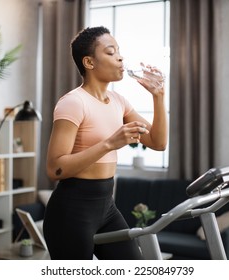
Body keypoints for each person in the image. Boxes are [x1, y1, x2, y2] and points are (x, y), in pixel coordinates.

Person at [43, 26, 168, 260]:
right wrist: (109, 144)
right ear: (89, 62)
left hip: (106, 207)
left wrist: (159, 96)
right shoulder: (73, 103)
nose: (120, 57)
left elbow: (158, 143)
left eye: (119, 51)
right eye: (111, 52)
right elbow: (54, 168)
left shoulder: (119, 101)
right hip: (71, 210)